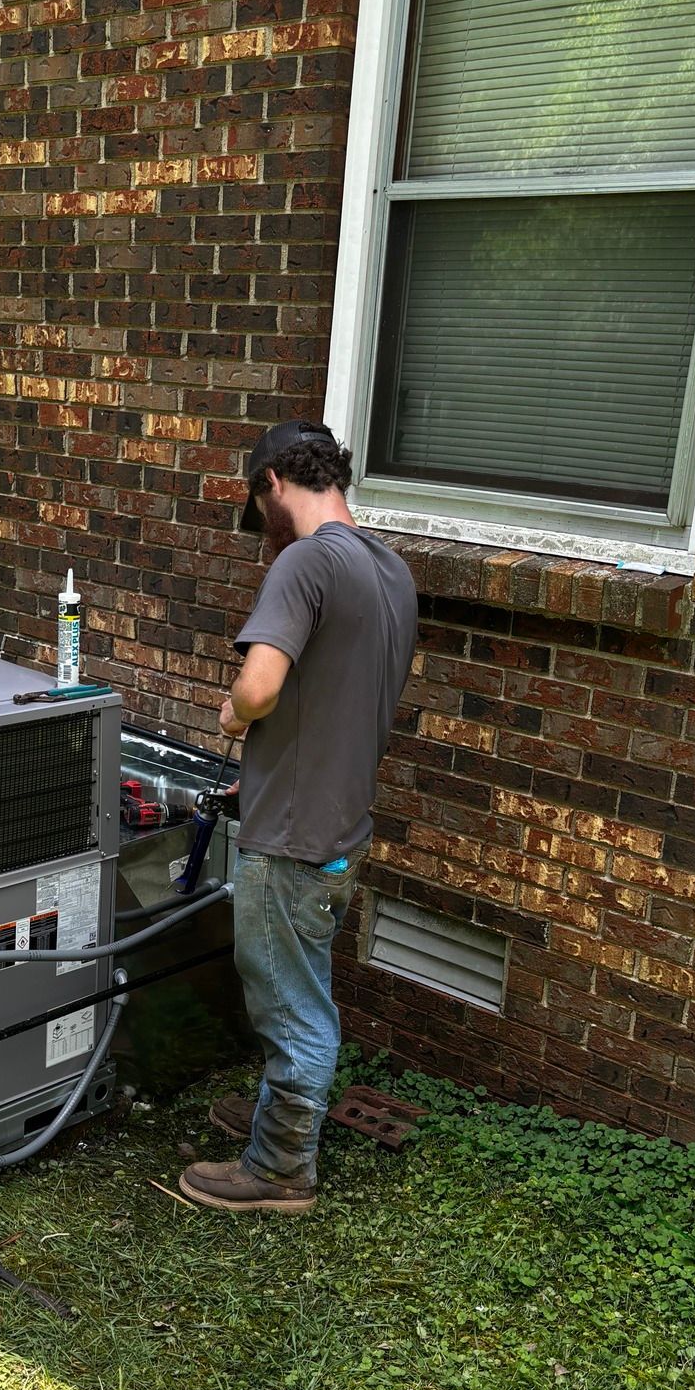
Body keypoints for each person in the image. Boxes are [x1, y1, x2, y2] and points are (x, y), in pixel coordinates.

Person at [178, 421, 418, 1215]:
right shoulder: (387, 570)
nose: (263, 529)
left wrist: (231, 720)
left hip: (294, 839)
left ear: (274, 482)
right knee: (297, 983)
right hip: (341, 826)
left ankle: (280, 1168)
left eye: (258, 506)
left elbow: (260, 689)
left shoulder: (306, 560)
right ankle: (282, 1124)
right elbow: (335, 702)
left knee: (291, 1002)